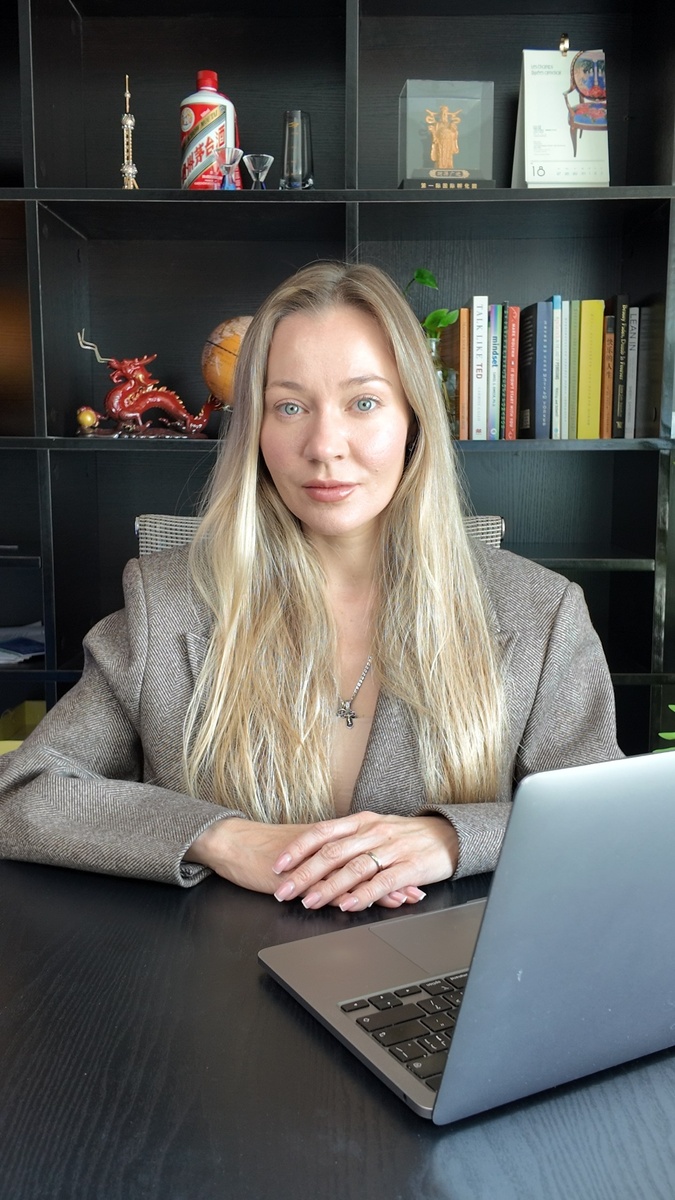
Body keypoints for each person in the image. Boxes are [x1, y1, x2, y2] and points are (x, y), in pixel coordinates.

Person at [0, 262, 622, 911]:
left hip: (449, 970)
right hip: (215, 968)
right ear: (256, 429)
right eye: (290, 406)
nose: (324, 446)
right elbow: (23, 791)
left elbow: (604, 821)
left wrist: (454, 837)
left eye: (363, 402)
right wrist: (218, 838)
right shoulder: (164, 603)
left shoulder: (542, 613)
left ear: (413, 419)